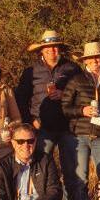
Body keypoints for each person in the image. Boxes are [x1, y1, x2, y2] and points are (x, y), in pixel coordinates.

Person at [61, 42, 100, 200]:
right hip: (78, 136)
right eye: (91, 58)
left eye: (98, 57)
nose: (95, 61)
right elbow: (65, 108)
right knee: (79, 180)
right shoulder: (76, 80)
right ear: (85, 60)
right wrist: (82, 110)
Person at [15, 29, 81, 157]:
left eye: (55, 47)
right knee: (41, 167)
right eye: (47, 47)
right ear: (41, 49)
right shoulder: (31, 71)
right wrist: (30, 121)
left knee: (73, 171)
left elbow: (82, 94)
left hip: (68, 127)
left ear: (60, 48)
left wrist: (65, 95)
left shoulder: (72, 68)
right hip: (41, 128)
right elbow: (21, 99)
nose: (51, 50)